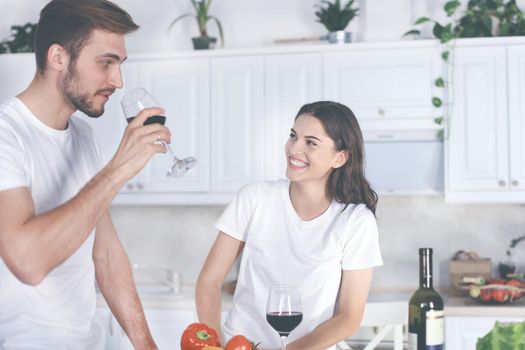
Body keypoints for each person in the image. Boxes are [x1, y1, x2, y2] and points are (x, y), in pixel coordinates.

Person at [0, 1, 170, 348]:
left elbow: (106, 254)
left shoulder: (82, 136)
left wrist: (146, 344)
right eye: (105, 63)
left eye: (119, 65)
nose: (118, 81)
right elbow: (27, 262)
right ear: (58, 57)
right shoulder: (6, 134)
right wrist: (119, 169)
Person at [196, 101, 383, 350]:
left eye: (311, 142)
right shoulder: (254, 198)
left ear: (339, 158)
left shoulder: (355, 221)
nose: (294, 148)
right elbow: (209, 282)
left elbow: (348, 317)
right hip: (241, 345)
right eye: (293, 136)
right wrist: (215, 345)